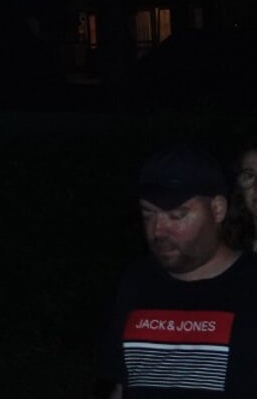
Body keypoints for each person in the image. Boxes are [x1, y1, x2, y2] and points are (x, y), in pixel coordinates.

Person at [96, 142, 256, 397]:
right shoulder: (136, 282)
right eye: (149, 215)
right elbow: (119, 385)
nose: (158, 231)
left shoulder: (250, 286)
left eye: (177, 216)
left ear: (217, 209)